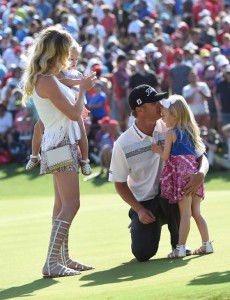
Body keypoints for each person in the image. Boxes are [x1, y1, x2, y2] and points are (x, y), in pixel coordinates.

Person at [21, 26, 97, 278]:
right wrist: (84, 89)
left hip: (56, 143)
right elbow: (74, 114)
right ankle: (52, 262)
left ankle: (62, 258)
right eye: (65, 53)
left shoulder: (46, 79)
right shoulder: (47, 80)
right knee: (72, 204)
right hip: (61, 144)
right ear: (56, 53)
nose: (68, 59)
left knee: (61, 204)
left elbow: (69, 112)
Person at [109, 84, 209, 262]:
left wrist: (200, 174)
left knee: (180, 202)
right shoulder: (122, 143)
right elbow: (119, 183)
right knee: (143, 253)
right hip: (145, 203)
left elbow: (201, 156)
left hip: (172, 193)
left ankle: (179, 244)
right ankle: (138, 219)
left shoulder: (170, 125)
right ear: (140, 109)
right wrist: (139, 210)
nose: (159, 104)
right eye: (153, 101)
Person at [152, 95, 213, 258]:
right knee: (196, 212)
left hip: (181, 177)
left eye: (164, 115)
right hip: (193, 174)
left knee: (185, 213)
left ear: (175, 115)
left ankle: (180, 247)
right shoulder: (191, 131)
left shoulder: (171, 133)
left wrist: (158, 150)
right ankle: (207, 244)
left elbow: (166, 157)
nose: (163, 119)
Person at [25, 42, 92, 176]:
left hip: (65, 128)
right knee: (38, 128)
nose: (73, 62)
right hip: (58, 133)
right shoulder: (54, 76)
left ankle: (85, 160)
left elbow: (76, 101)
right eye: (69, 59)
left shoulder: (76, 74)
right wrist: (83, 84)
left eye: (75, 59)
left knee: (62, 194)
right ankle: (34, 155)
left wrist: (82, 103)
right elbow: (66, 84)